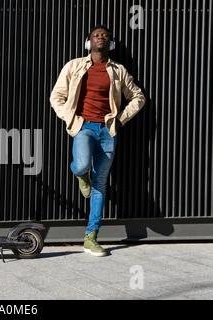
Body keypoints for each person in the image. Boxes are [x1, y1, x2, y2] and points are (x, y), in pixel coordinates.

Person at [49, 25, 146, 256]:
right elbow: (56, 96)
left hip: (107, 130)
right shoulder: (74, 66)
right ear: (88, 42)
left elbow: (138, 97)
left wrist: (121, 120)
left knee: (100, 183)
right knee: (82, 165)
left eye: (105, 36)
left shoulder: (118, 70)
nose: (100, 38)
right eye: (96, 36)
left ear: (110, 44)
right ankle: (82, 176)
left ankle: (91, 236)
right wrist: (72, 119)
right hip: (84, 128)